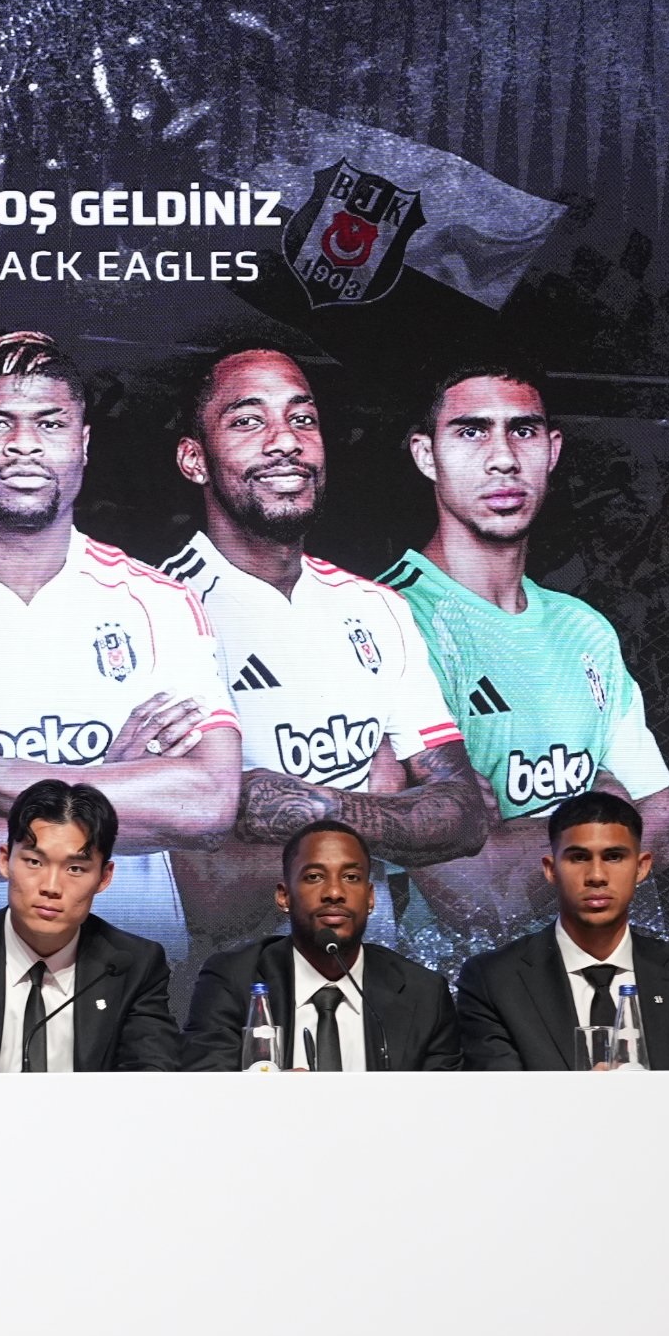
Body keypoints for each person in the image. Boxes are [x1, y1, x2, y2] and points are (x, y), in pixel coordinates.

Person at [0, 332, 237, 944]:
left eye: (50, 422)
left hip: (128, 968)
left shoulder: (160, 604)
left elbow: (208, 807)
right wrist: (115, 791)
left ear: (83, 442)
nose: (24, 444)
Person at [154, 347, 482, 949]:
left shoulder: (377, 608)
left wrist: (304, 806)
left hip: (368, 977)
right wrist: (383, 797)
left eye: (302, 418)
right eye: (248, 421)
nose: (286, 441)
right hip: (223, 990)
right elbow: (207, 893)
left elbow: (463, 820)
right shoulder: (152, 613)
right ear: (194, 459)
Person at [379, 365, 669, 941]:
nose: (503, 458)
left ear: (552, 450)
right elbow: (480, 898)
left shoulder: (585, 629)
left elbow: (665, 830)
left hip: (588, 973)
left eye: (523, 431)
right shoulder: (385, 620)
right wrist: (606, 809)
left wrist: (511, 839)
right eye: (471, 431)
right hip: (444, 985)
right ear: (426, 455)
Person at [0, 777, 183, 1074]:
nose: (51, 887)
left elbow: (153, 1077)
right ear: (5, 861)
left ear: (104, 877)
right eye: (34, 862)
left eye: (75, 868)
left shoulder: (133, 966)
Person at [446, 793, 669, 1071]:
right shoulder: (494, 980)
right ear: (551, 870)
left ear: (642, 867)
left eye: (614, 857)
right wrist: (584, 1100)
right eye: (578, 858)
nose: (596, 876)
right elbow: (498, 1101)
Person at [179, 820, 469, 1072]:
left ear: (370, 898)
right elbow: (206, 1091)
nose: (334, 892)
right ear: (284, 896)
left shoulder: (423, 993)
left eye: (351, 877)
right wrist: (271, 1096)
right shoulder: (233, 980)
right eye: (314, 877)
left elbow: (446, 1105)